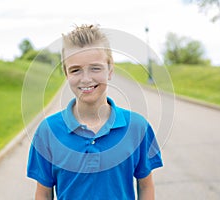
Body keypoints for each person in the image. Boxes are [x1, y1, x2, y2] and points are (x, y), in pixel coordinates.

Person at [27, 24, 163, 200]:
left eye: (95, 68)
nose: (86, 78)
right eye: (75, 70)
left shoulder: (138, 127)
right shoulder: (47, 131)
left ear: (110, 70)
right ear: (66, 74)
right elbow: (44, 193)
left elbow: (145, 186)